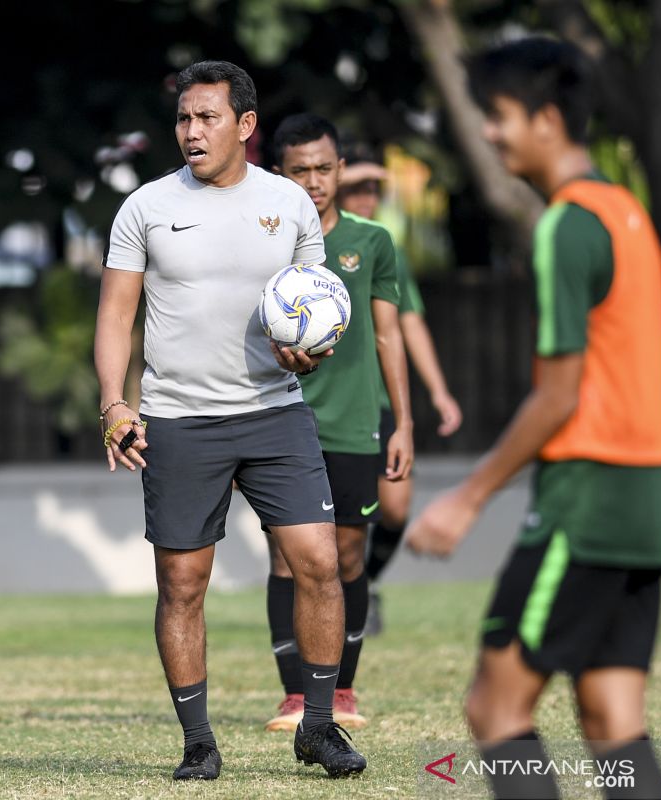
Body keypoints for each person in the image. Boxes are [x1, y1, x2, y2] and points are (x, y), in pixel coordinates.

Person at [407, 38, 661, 800]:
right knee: (610, 717)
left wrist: (468, 496)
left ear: (548, 120)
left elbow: (558, 395)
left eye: (499, 117)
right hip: (646, 501)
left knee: (495, 709)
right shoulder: (626, 212)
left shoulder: (565, 225)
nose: (489, 134)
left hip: (586, 502)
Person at [95, 61, 366, 780]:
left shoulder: (289, 203)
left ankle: (317, 726)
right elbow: (117, 314)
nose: (191, 131)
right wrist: (114, 401)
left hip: (276, 414)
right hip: (180, 421)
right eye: (184, 118)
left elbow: (319, 308)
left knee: (321, 563)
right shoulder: (145, 208)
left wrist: (310, 357)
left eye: (207, 117)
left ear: (245, 126)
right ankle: (198, 743)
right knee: (183, 585)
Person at [261, 114, 414, 734]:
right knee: (287, 556)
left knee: (348, 554)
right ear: (280, 175)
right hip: (281, 421)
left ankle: (342, 689)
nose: (315, 181)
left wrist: (402, 422)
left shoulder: (372, 241)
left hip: (355, 425)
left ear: (341, 169)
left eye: (325, 168)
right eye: (301, 170)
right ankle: (295, 695)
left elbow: (388, 334)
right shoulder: (265, 243)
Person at [337, 148, 463, 636]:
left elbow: (409, 323)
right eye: (360, 187)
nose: (369, 197)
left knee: (395, 508)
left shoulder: (383, 244)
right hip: (331, 405)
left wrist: (439, 392)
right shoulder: (310, 238)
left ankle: (363, 587)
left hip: (382, 402)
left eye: (375, 189)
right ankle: (340, 601)